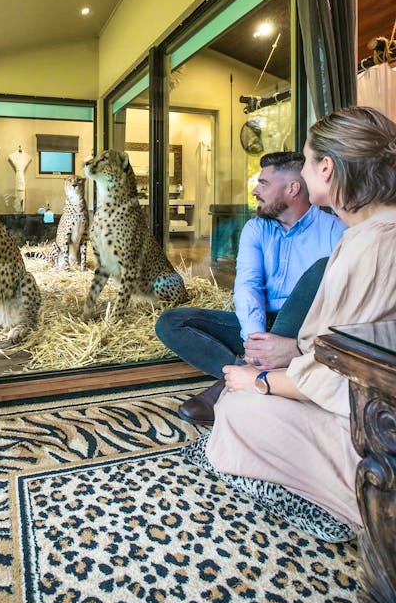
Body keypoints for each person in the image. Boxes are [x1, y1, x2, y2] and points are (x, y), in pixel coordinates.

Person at [203, 106, 396, 532]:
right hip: (301, 355)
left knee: (236, 408)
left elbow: (334, 376)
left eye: (308, 161)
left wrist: (257, 381)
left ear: (325, 169)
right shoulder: (369, 232)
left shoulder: (366, 244)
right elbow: (248, 286)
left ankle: (353, 504)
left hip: (375, 435)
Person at [156, 151, 346, 426]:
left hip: (303, 331)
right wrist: (256, 339)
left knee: (316, 274)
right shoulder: (256, 228)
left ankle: (235, 382)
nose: (255, 191)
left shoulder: (333, 230)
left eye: (264, 184)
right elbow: (248, 285)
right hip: (262, 327)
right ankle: (256, 373)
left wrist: (290, 345)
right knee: (171, 322)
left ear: (293, 188)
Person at [8, 145, 32, 212]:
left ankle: (22, 209)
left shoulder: (27, 156)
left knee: (22, 196)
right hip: (18, 177)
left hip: (21, 177)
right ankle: (17, 209)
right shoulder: (12, 156)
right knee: (17, 195)